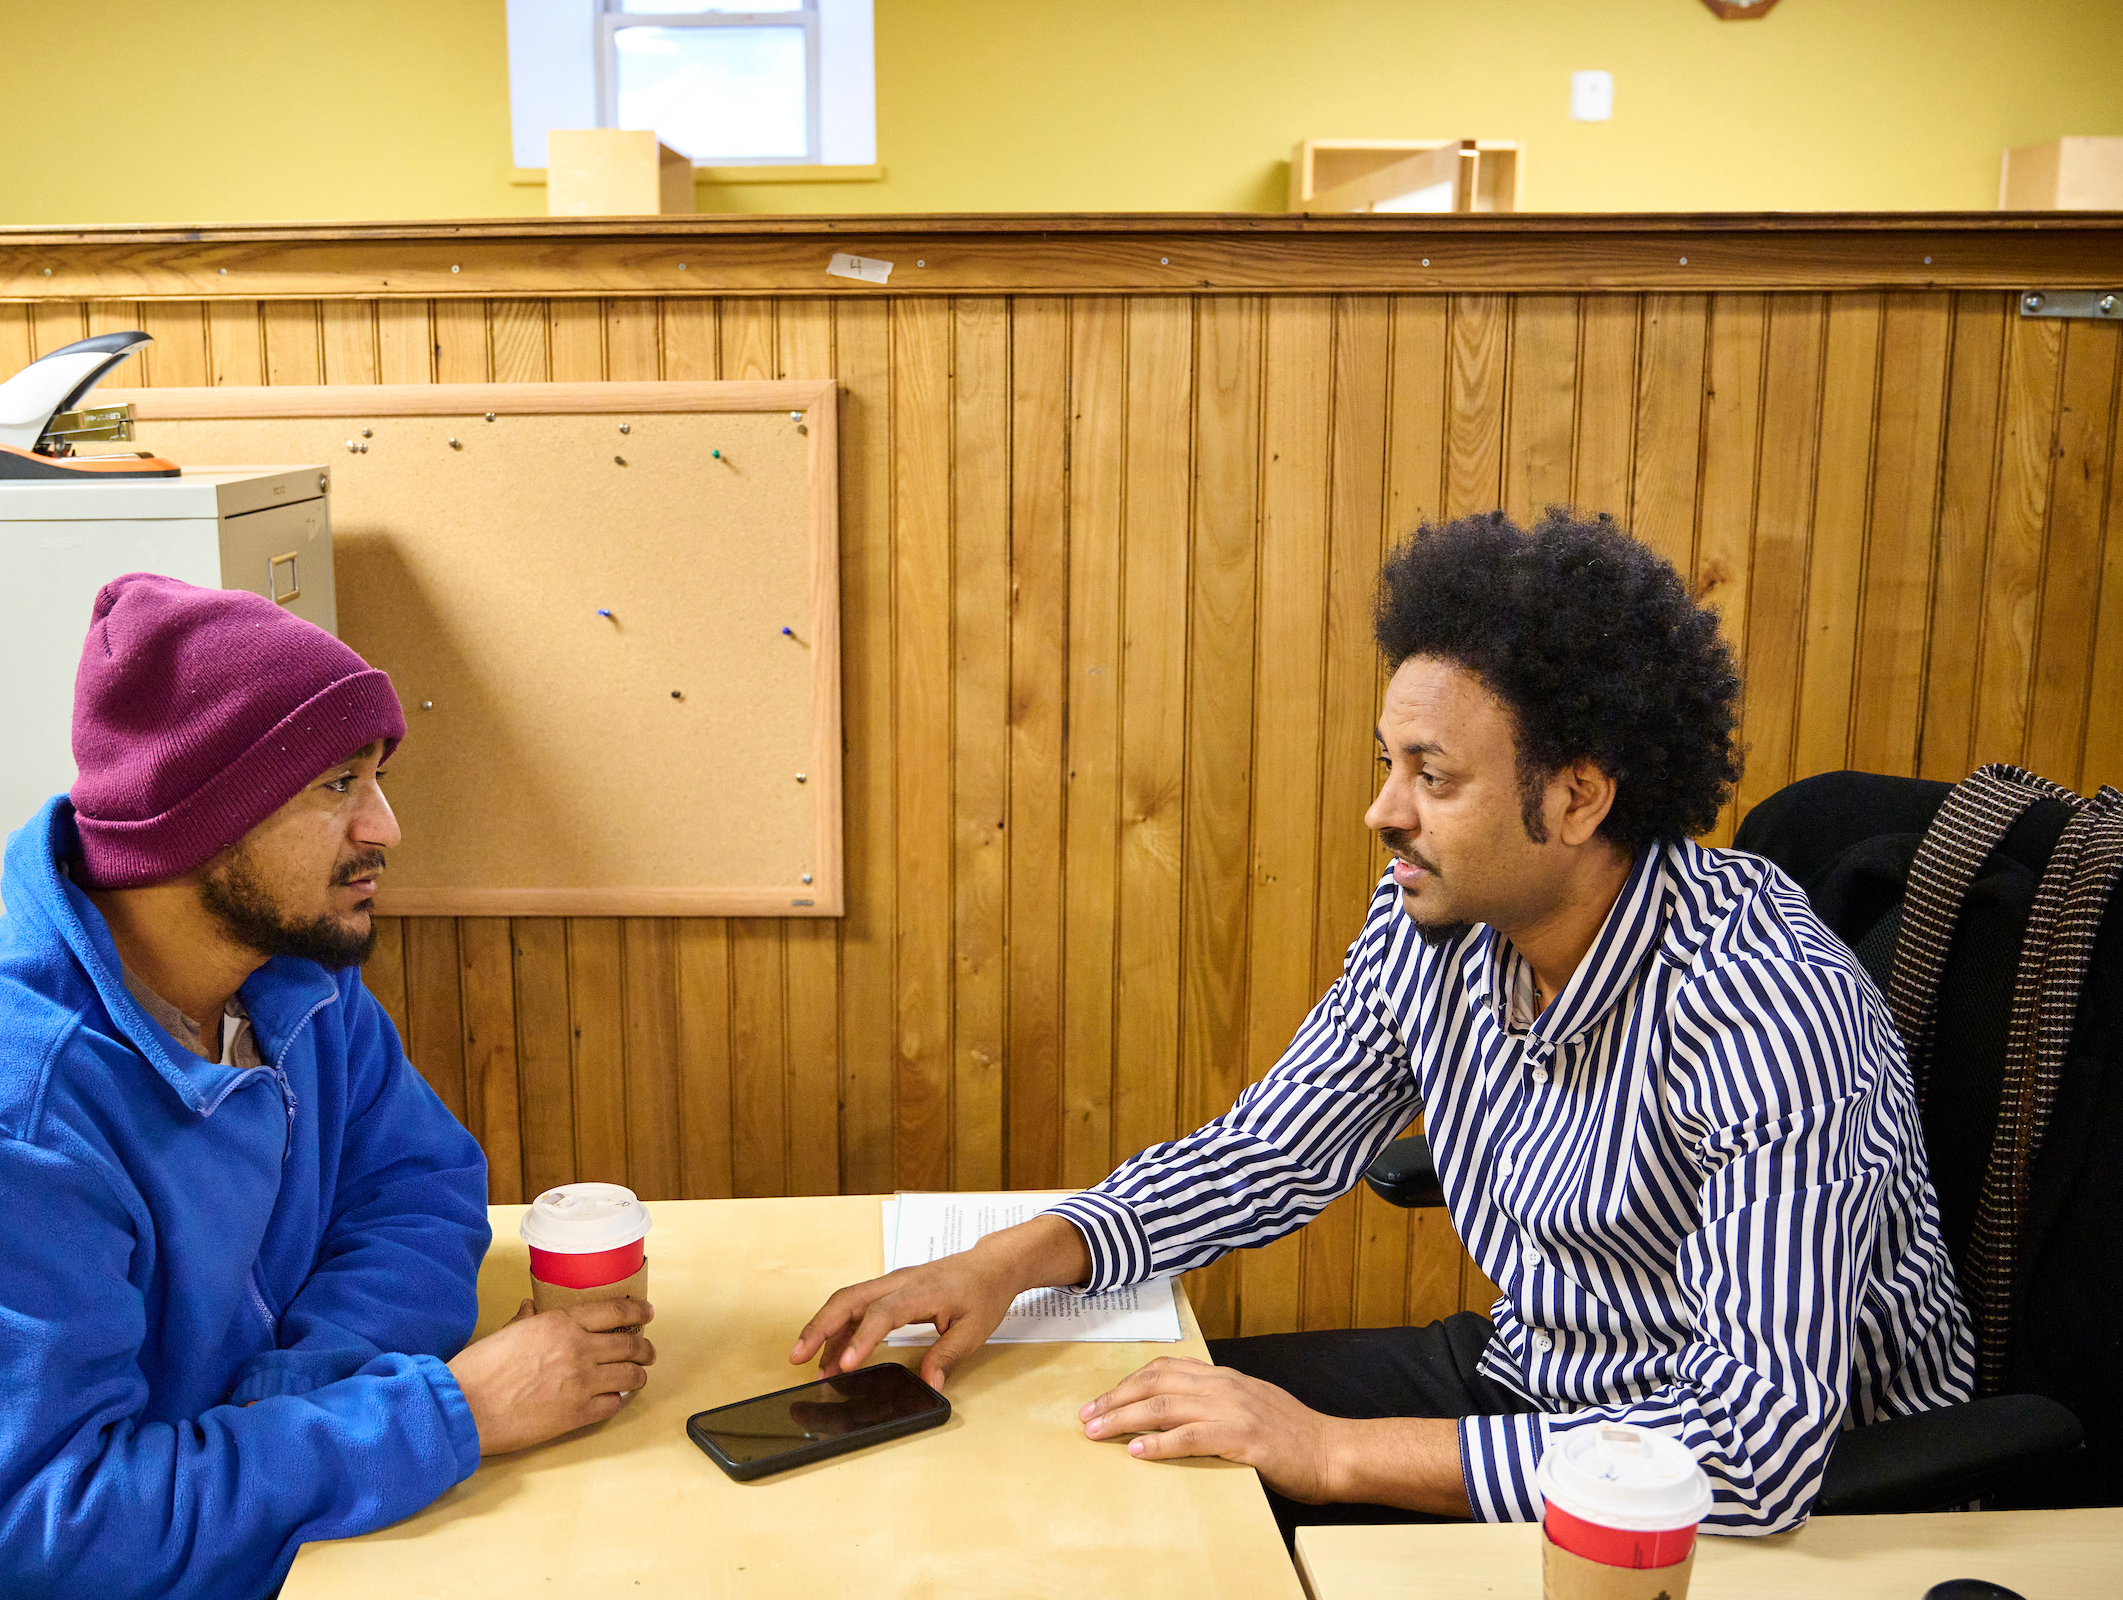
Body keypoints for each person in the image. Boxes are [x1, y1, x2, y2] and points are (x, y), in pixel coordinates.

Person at [791, 510, 1972, 1538]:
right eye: (1385, 763)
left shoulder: (1765, 1002)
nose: (1382, 811)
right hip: (1541, 1378)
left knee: (1237, 1468)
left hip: (1767, 1510)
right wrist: (1004, 1263)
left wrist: (1335, 1451)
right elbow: (1271, 1150)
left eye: (1432, 776)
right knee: (1093, 1434)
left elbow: (1753, 1449)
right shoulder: (1435, 919)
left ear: (1576, 794)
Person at [0, 576, 655, 1600]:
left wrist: (282, 1402)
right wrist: (443, 1414)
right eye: (338, 786)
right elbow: (61, 1537)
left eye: (374, 777)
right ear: (201, 820)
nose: (386, 828)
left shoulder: (292, 981)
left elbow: (422, 1190)